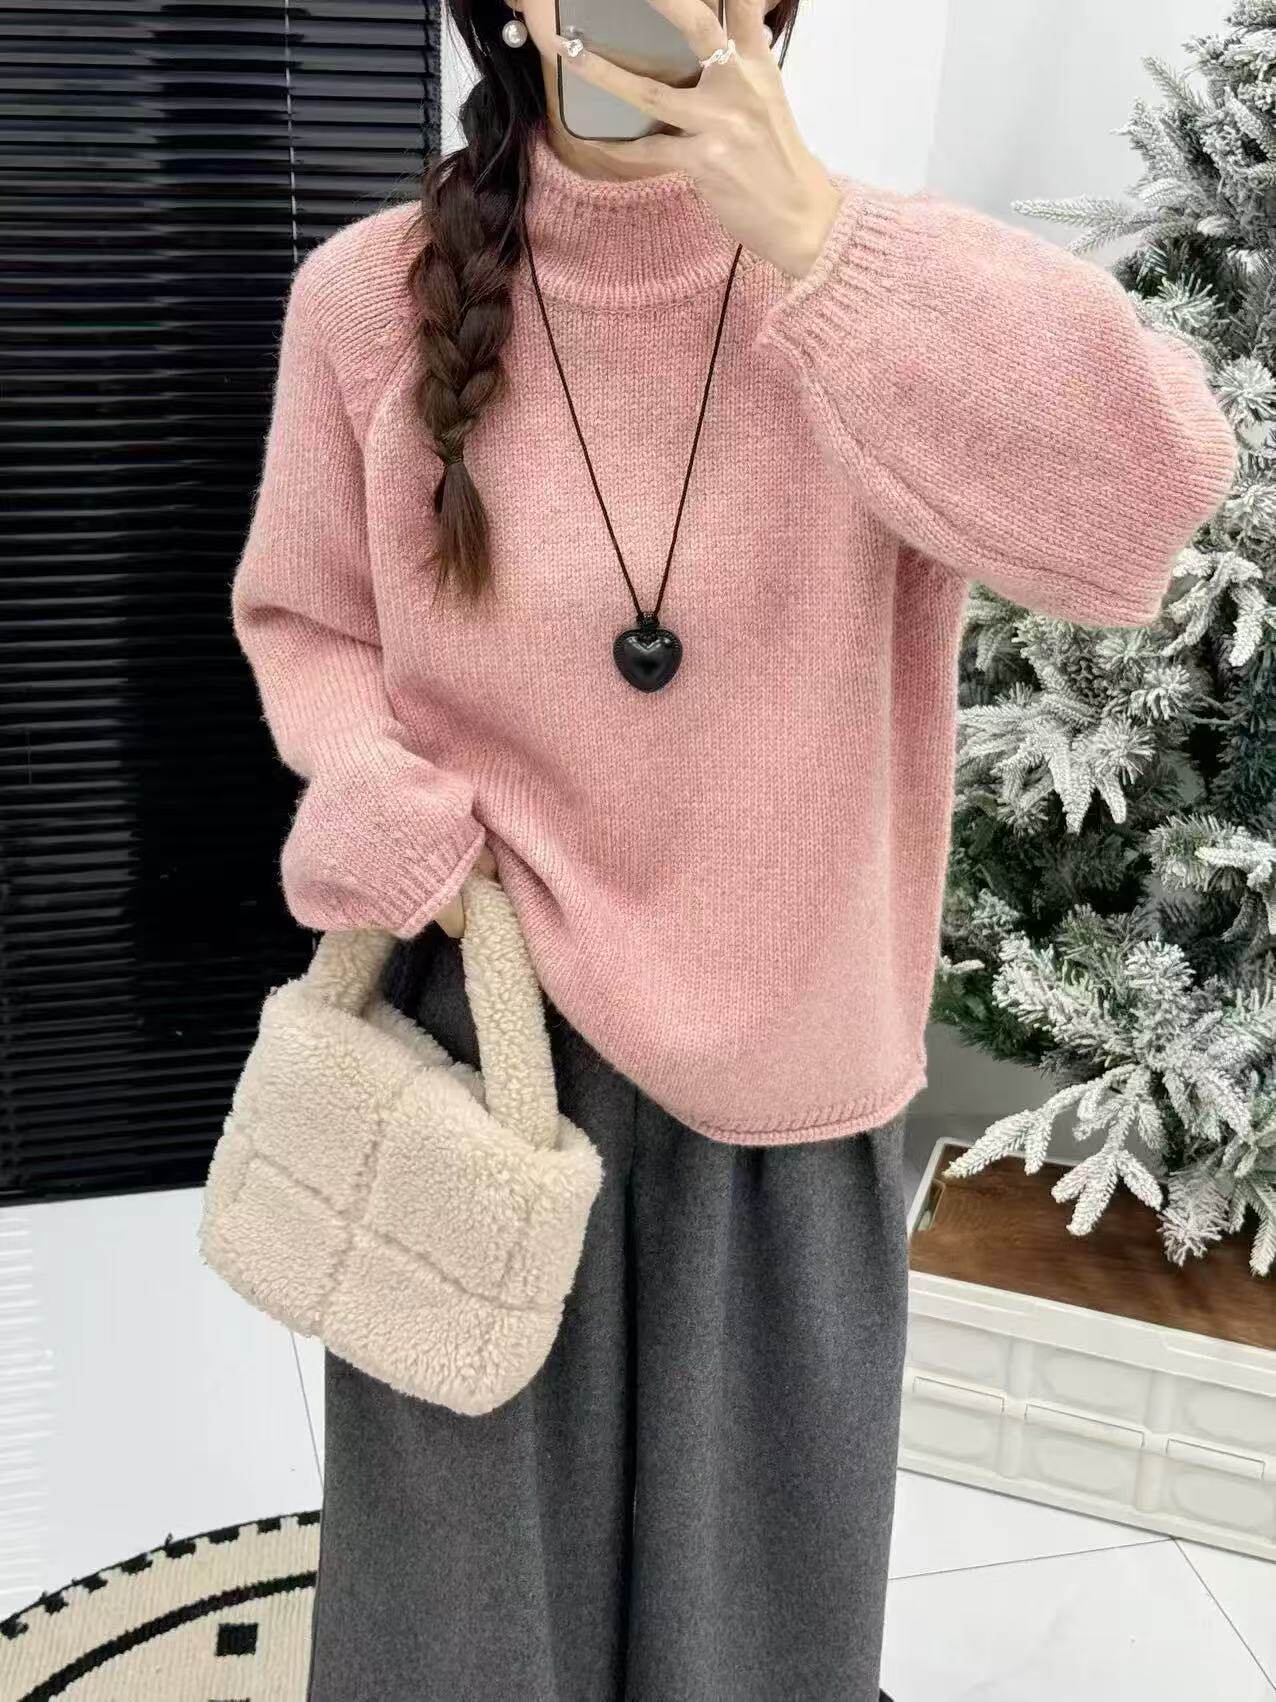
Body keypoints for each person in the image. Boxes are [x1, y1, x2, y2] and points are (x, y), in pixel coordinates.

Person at [228, 2, 1239, 1697]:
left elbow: (1151, 497)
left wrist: (824, 244)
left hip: (786, 1087)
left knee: (754, 1643)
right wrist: (386, 802)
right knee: (461, 1639)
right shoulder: (366, 301)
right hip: (484, 1052)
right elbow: (306, 619)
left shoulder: (876, 288)